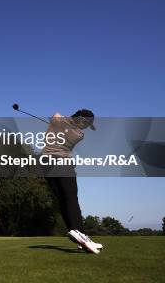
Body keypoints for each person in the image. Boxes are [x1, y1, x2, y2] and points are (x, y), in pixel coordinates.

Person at [43, 109, 103, 254]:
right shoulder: (76, 132)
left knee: (64, 201)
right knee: (71, 199)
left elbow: (55, 116)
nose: (86, 128)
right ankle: (79, 233)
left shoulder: (74, 132)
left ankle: (78, 234)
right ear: (81, 119)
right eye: (87, 124)